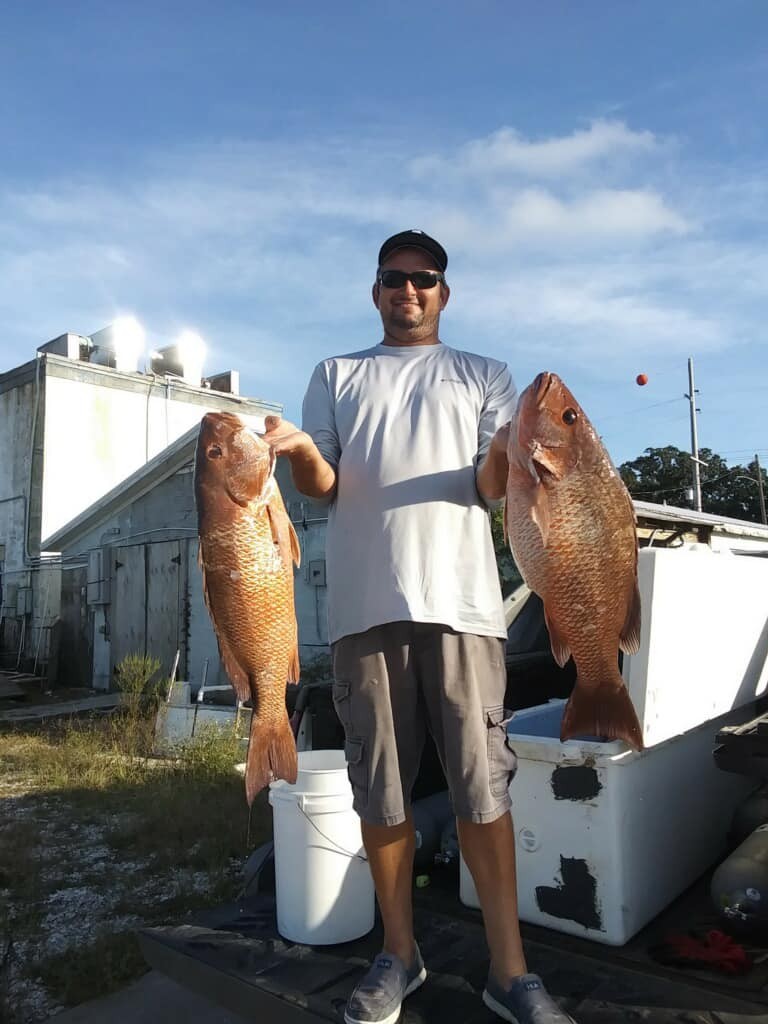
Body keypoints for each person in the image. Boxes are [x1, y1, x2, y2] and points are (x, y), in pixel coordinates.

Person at [263, 229, 577, 1024]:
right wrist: (298, 450)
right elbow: (323, 485)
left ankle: (511, 973)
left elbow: (489, 485)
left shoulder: (484, 374)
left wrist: (509, 447)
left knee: (482, 789)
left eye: (424, 277)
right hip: (364, 612)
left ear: (444, 292)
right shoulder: (335, 373)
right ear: (375, 291)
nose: (409, 289)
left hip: (464, 610)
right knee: (382, 792)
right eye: (395, 277)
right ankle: (399, 954)